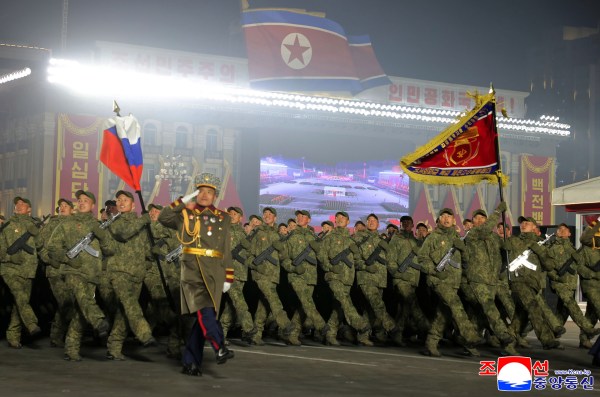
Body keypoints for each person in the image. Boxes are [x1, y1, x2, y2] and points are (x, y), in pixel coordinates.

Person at [158, 173, 235, 376]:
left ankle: (191, 362)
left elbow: (226, 247)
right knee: (205, 311)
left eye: (209, 192)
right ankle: (219, 347)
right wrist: (183, 201)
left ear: (215, 196)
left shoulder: (223, 217)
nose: (204, 195)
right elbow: (163, 217)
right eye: (200, 191)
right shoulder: (186, 215)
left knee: (204, 317)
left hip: (216, 272)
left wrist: (228, 275)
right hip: (192, 269)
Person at [47, 190, 112, 361]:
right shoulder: (67, 224)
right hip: (72, 271)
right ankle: (99, 321)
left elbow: (110, 250)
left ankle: (71, 348)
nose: (81, 203)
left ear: (92, 205)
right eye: (79, 200)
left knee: (80, 312)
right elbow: (52, 248)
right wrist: (67, 260)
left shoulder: (98, 225)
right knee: (84, 298)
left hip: (92, 274)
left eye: (86, 200)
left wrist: (103, 237)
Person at [418, 208, 482, 357]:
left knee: (444, 313)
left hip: (454, 282)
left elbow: (465, 262)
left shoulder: (457, 239)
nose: (446, 219)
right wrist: (435, 272)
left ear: (454, 220)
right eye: (443, 216)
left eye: (449, 216)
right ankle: (470, 337)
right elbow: (421, 259)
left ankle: (431, 343)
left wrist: (464, 250)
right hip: (439, 280)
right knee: (456, 305)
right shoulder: (433, 237)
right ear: (439, 220)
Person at [105, 190, 156, 361]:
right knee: (130, 303)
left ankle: (114, 346)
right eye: (118, 200)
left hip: (137, 273)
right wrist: (144, 220)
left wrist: (152, 253)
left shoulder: (141, 224)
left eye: (125, 199)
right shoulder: (115, 222)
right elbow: (124, 233)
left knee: (124, 312)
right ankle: (144, 333)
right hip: (119, 272)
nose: (120, 202)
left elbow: (146, 249)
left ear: (133, 204)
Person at [318, 211, 371, 346]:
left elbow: (357, 260)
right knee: (344, 300)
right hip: (334, 276)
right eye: (338, 218)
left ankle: (330, 334)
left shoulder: (351, 240)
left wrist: (366, 266)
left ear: (348, 221)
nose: (340, 219)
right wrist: (329, 267)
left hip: (348, 278)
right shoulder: (329, 237)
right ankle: (359, 323)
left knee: (339, 308)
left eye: (343, 218)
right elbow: (321, 255)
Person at [245, 206, 293, 345]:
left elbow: (283, 257)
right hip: (261, 274)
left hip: (273, 275)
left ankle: (255, 334)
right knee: (273, 298)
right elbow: (248, 255)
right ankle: (285, 324)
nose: (266, 215)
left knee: (263, 305)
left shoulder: (278, 235)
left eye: (270, 213)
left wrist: (281, 249)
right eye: (264, 213)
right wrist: (255, 265)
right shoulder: (257, 233)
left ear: (275, 218)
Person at [0, 197, 43, 348]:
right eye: (17, 204)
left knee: (19, 303)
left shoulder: (34, 225)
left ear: (29, 209)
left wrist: (37, 233)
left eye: (22, 204)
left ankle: (13, 335)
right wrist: (10, 257)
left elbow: (40, 246)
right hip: (10, 270)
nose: (18, 206)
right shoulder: (7, 225)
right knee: (20, 297)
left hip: (28, 270)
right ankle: (31, 323)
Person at [281, 210, 328, 345]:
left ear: (309, 220)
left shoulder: (313, 237)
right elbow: (283, 258)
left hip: (311, 276)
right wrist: (293, 268)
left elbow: (322, 258)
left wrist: (318, 249)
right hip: (296, 276)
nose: (300, 218)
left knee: (303, 306)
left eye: (303, 216)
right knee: (307, 301)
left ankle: (292, 334)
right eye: (298, 216)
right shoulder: (290, 237)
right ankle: (321, 325)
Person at [38, 198, 75, 348]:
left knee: (68, 303)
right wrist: (48, 259)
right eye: (60, 206)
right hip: (55, 270)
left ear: (72, 209)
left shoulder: (76, 225)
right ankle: (61, 336)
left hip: (72, 269)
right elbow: (40, 245)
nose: (62, 208)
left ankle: (58, 335)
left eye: (66, 206)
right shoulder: (50, 225)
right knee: (65, 302)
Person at [219, 206, 256, 344]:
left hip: (240, 273)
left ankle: (220, 335)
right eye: (230, 213)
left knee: (231, 305)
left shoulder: (244, 233)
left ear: (241, 217)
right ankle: (248, 326)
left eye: (235, 214)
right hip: (227, 272)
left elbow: (248, 254)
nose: (232, 215)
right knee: (239, 301)